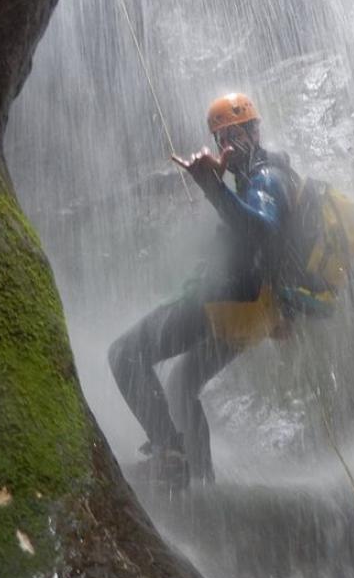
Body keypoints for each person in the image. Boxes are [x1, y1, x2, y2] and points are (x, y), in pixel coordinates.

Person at [108, 93, 299, 486]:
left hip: (230, 302)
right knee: (182, 383)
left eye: (236, 133)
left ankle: (170, 455)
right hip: (255, 312)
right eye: (221, 138)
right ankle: (204, 488)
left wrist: (211, 186)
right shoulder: (267, 175)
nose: (228, 144)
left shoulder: (266, 177)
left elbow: (261, 228)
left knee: (125, 353)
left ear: (255, 129)